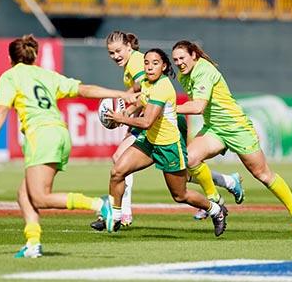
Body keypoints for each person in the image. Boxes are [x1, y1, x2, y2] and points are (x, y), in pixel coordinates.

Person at [0, 35, 139, 258]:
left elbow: (1, 109)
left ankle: (100, 204)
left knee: (39, 197)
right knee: (23, 195)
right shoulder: (45, 74)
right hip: (60, 133)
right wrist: (120, 94)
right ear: (33, 56)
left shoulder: (10, 76)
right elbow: (84, 89)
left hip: (41, 135)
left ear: (10, 58)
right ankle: (33, 243)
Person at [91, 31, 240, 230]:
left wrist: (121, 118)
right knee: (118, 171)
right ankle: (116, 216)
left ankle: (215, 209)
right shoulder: (145, 81)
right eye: (147, 63)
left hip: (168, 143)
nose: (149, 67)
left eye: (154, 63)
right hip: (150, 141)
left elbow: (147, 122)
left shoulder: (162, 87)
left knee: (180, 194)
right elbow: (140, 99)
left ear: (163, 66)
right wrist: (126, 111)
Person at [171, 40, 292, 235]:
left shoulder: (204, 71)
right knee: (189, 160)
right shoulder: (185, 75)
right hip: (215, 129)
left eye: (182, 58)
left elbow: (198, 107)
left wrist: (166, 108)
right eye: (175, 60)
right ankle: (217, 197)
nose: (178, 62)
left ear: (194, 55)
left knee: (263, 175)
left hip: (237, 128)